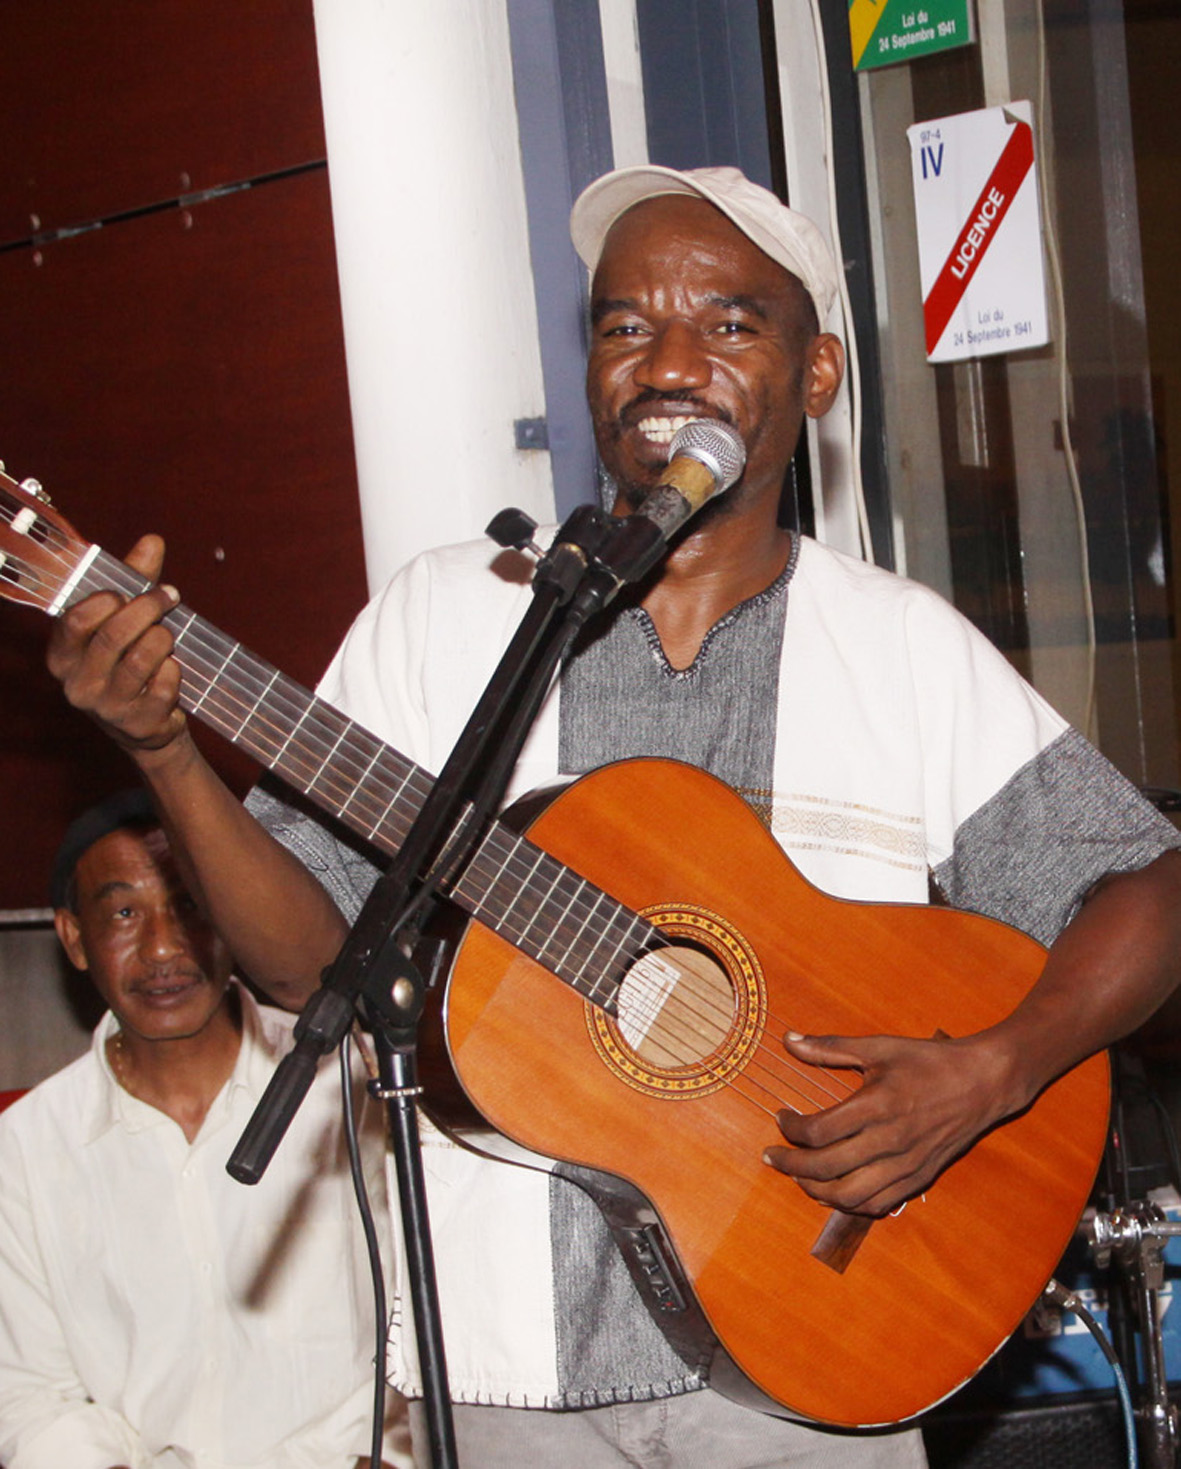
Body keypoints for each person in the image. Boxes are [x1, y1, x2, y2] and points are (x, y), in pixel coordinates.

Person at [42, 165, 1181, 1466]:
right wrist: (164, 747)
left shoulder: (899, 646)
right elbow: (308, 963)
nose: (669, 362)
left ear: (814, 379)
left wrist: (1000, 1064)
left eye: (730, 323)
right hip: (509, 1366)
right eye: (624, 324)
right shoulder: (449, 617)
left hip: (831, 1329)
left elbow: (1149, 886)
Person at [0, 788, 410, 1469]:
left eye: (190, 902)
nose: (163, 946)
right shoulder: (24, 1148)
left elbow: (427, 1304)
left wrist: (389, 1449)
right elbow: (27, 1390)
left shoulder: (350, 1082)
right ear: (74, 937)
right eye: (125, 912)